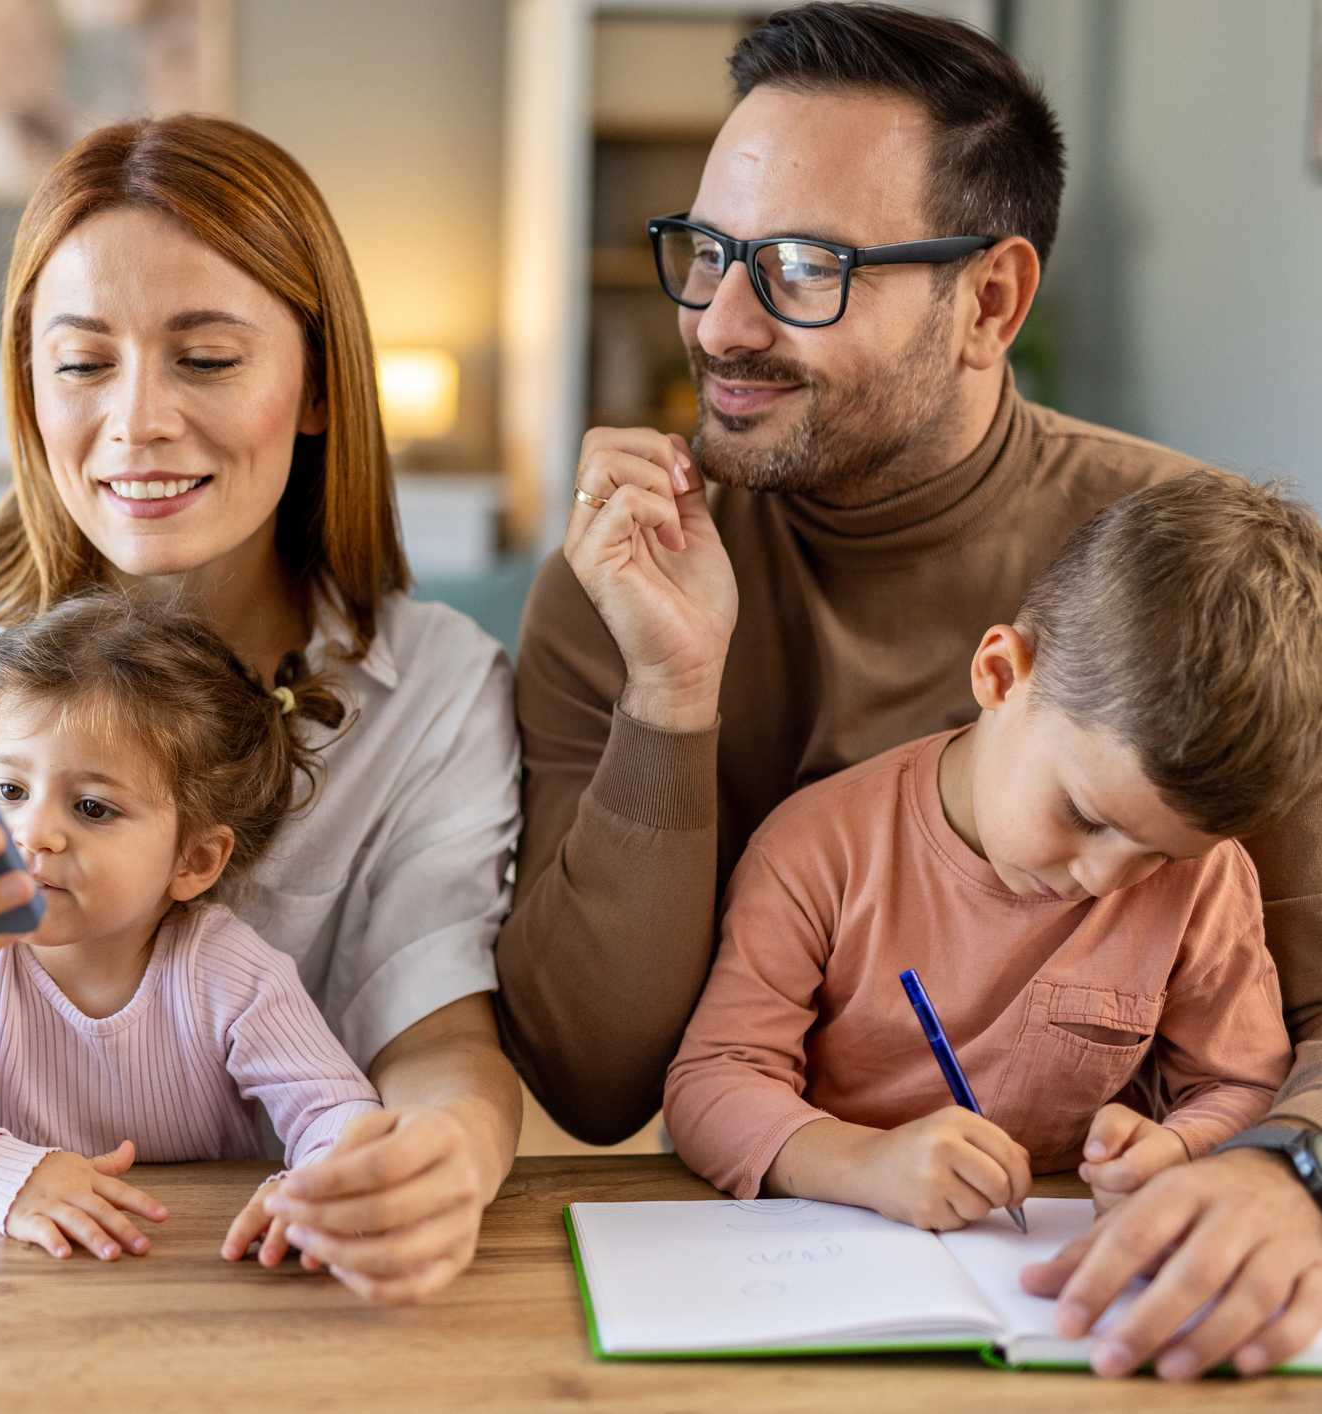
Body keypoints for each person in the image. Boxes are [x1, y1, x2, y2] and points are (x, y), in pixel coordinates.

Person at [494, 1, 1322, 1379]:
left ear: (990, 300)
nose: (721, 323)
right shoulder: (627, 562)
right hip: (769, 1299)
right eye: (709, 256)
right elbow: (590, 1081)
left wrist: (1284, 1166)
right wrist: (672, 689)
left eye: (807, 266)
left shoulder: (1186, 573)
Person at [0, 115, 523, 1305]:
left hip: (248, 1290)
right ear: (29, 387)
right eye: (82, 363)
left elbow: (435, 1033)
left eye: (206, 359)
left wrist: (452, 1158)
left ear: (319, 384)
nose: (135, 421)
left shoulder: (434, 686)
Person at [664, 473, 1318, 1227]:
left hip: (1049, 1258)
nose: (1104, 879)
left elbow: (1246, 1090)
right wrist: (864, 1164)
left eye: (1161, 856)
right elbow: (712, 1082)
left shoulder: (1209, 880)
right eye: (1084, 814)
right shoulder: (815, 850)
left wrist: (1176, 1151)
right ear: (1000, 675)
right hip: (830, 1239)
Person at [0, 595, 382, 1269]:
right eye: (8, 792)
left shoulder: (228, 970)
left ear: (194, 861)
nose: (35, 834)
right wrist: (11, 1177)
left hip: (181, 1267)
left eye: (92, 807)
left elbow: (338, 1109)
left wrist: (315, 1189)